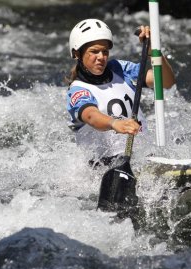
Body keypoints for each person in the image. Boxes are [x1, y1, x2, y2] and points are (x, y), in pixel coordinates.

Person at [66, 19, 175, 164]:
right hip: (100, 164)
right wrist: (115, 124)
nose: (101, 57)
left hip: (143, 156)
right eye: (94, 51)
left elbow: (166, 82)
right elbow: (91, 116)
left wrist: (154, 52)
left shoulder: (120, 69)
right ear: (77, 54)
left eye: (105, 51)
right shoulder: (77, 90)